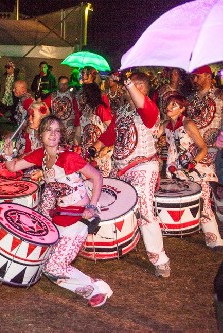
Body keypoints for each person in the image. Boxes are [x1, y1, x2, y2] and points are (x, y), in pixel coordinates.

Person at [3, 115, 113, 307]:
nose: (52, 134)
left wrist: (92, 206)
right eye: (48, 130)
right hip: (61, 217)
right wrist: (8, 154)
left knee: (54, 266)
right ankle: (89, 290)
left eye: (56, 130)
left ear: (61, 134)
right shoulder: (41, 156)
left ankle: (99, 286)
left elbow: (96, 176)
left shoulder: (68, 157)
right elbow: (12, 167)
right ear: (40, 134)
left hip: (79, 218)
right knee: (47, 265)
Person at [92, 72, 171, 277]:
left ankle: (159, 258)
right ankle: (124, 243)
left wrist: (125, 81)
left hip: (143, 166)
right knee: (123, 207)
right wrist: (96, 146)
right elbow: (111, 133)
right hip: (122, 167)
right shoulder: (124, 110)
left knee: (145, 207)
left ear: (141, 88)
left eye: (131, 86)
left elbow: (144, 110)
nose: (126, 90)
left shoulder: (149, 108)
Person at [158, 94, 223, 248]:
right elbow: (154, 133)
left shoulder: (188, 124)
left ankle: (215, 240)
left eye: (174, 105)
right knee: (187, 201)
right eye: (168, 104)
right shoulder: (167, 124)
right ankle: (186, 227)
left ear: (182, 109)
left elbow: (203, 147)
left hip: (197, 169)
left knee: (204, 203)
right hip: (178, 170)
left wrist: (192, 163)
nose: (169, 107)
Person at [187, 65, 222, 174]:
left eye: (198, 77)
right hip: (193, 151)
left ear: (208, 76)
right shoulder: (189, 99)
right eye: (192, 77)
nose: (194, 80)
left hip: (216, 151)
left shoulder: (219, 96)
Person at [75, 82, 113, 176]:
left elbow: (113, 129)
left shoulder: (100, 109)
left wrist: (106, 148)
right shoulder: (82, 111)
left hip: (100, 152)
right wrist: (76, 147)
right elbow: (78, 134)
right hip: (86, 153)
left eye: (83, 93)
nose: (81, 96)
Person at [44, 75, 77, 145]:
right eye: (62, 84)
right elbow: (44, 106)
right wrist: (51, 116)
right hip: (57, 126)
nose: (64, 86)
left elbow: (77, 110)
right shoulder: (53, 95)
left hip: (70, 126)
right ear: (58, 84)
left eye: (66, 84)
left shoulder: (73, 95)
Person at [0, 61, 19, 126]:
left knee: (14, 115)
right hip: (5, 99)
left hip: (12, 99)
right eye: (6, 68)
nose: (7, 69)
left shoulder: (16, 78)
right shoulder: (5, 77)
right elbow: (2, 85)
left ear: (12, 68)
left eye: (9, 68)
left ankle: (15, 126)